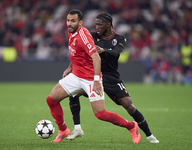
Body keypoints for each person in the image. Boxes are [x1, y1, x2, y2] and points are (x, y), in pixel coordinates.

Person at [46, 9, 141, 144]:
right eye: (68, 20)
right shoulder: (70, 32)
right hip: (76, 76)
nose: (69, 23)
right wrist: (69, 68)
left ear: (81, 22)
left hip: (90, 79)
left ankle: (131, 126)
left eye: (73, 21)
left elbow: (96, 58)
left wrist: (97, 81)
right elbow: (76, 53)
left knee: (100, 114)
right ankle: (63, 130)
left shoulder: (83, 36)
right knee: (51, 100)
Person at [66, 12, 159, 143]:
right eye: (96, 24)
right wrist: (71, 67)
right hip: (93, 75)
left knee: (129, 105)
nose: (97, 27)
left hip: (111, 77)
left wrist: (103, 50)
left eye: (100, 24)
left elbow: (116, 53)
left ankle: (150, 136)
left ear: (108, 24)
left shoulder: (120, 39)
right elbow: (78, 52)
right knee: (73, 93)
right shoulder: (92, 36)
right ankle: (77, 128)